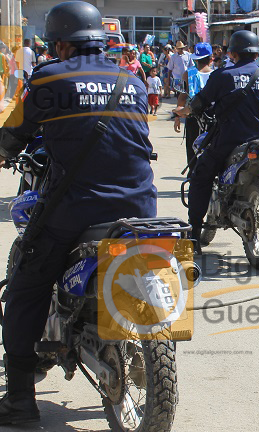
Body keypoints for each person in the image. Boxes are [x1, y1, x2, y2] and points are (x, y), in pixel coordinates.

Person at [0, 2, 157, 424]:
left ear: (60, 43)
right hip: (142, 206)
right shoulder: (132, 79)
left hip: (76, 206)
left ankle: (19, 401)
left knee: (26, 284)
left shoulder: (48, 77)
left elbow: (13, 134)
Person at [175, 30, 259, 251]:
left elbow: (200, 103)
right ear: (257, 54)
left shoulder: (222, 76)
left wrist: (185, 111)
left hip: (228, 141)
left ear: (233, 53)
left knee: (200, 176)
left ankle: (194, 235)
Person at [174, 42, 214, 170]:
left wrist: (177, 116)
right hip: (213, 118)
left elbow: (183, 96)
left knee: (193, 148)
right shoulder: (218, 75)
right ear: (211, 58)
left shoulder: (188, 74)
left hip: (193, 116)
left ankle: (193, 175)